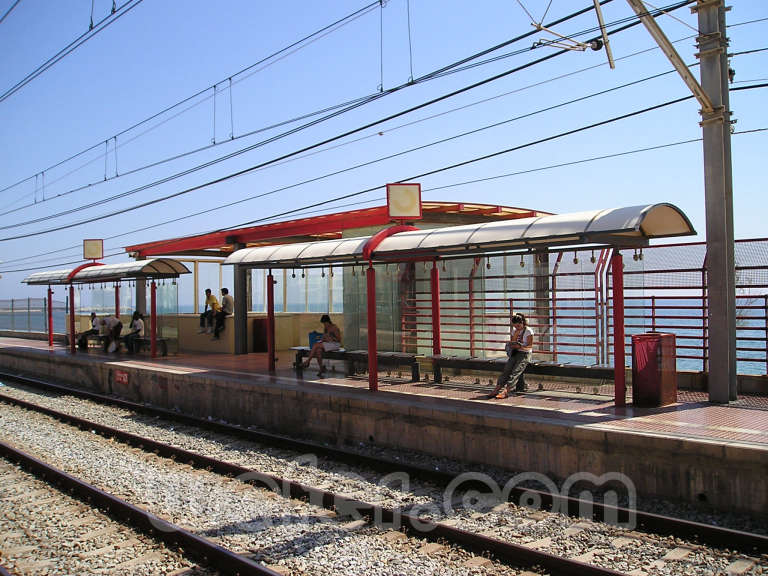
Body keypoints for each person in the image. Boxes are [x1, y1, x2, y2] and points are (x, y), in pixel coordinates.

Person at [490, 313, 534, 399]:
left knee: (516, 371)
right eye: (515, 326)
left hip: (525, 353)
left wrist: (521, 346)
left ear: (523, 323)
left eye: (518, 326)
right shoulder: (514, 331)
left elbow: (529, 346)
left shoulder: (529, 331)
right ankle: (497, 388)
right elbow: (512, 343)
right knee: (506, 370)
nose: (517, 328)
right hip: (515, 352)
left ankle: (506, 390)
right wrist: (515, 337)